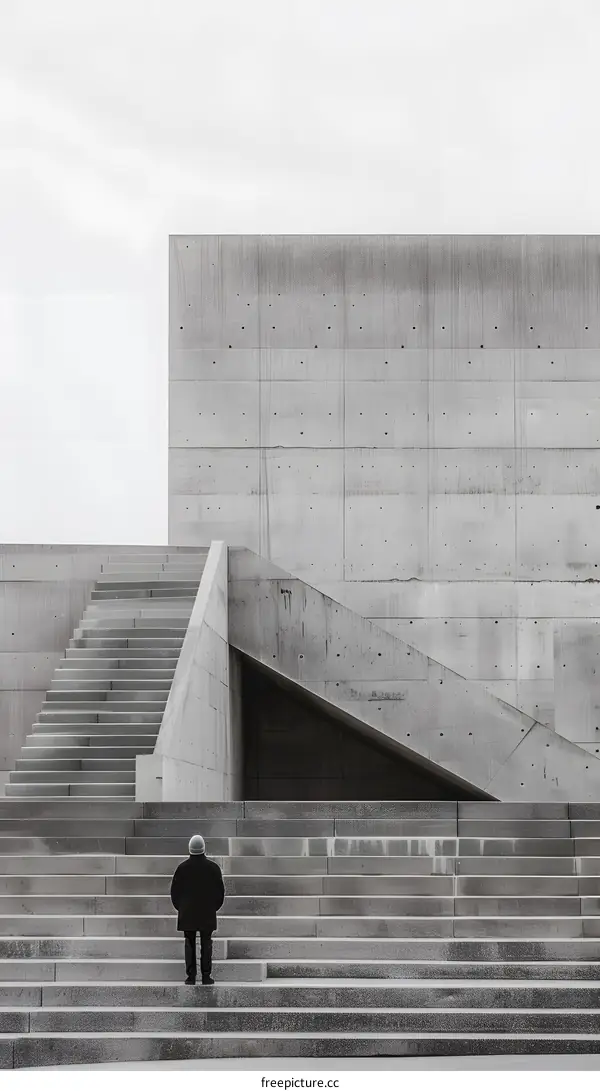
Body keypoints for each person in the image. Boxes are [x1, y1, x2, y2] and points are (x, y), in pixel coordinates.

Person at [170, 833, 225, 985]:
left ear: (189, 849)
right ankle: (206, 975)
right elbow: (220, 892)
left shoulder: (182, 869)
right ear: (203, 849)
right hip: (207, 912)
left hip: (187, 913)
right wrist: (213, 908)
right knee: (206, 943)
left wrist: (181, 908)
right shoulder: (213, 868)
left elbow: (175, 893)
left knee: (189, 942)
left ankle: (191, 976)